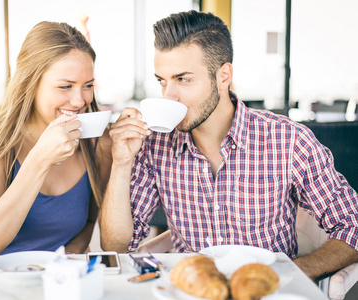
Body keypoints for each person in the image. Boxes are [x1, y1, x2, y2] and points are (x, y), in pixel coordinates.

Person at [100, 10, 358, 281]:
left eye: (183, 79)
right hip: (193, 290)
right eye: (162, 81)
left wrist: (294, 272)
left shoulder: (288, 140)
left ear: (223, 76)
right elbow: (115, 247)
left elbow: (352, 225)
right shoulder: (155, 145)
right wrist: (121, 162)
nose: (169, 96)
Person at [0, 21, 111, 256]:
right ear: (31, 84)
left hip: (47, 281)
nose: (80, 101)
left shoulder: (99, 143)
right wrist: (39, 160)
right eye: (65, 86)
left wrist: (63, 264)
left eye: (87, 85)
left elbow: (89, 223)